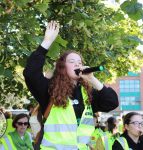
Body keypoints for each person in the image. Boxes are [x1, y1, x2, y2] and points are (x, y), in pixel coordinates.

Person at [23, 20, 119, 150]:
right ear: (62, 67)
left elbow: (112, 102)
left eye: (79, 62)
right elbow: (30, 73)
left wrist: (93, 79)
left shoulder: (87, 93)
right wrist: (47, 41)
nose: (77, 64)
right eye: (72, 61)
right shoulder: (50, 89)